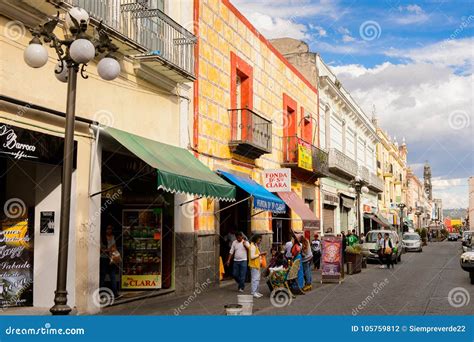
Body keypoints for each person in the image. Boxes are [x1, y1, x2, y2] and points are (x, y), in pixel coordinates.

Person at [100, 225, 120, 298]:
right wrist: (109, 249)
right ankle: (100, 292)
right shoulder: (101, 237)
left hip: (112, 257)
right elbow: (100, 249)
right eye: (108, 228)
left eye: (111, 228)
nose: (109, 230)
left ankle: (115, 293)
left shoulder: (113, 237)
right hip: (104, 258)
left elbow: (115, 247)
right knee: (103, 275)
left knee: (113, 275)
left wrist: (108, 250)